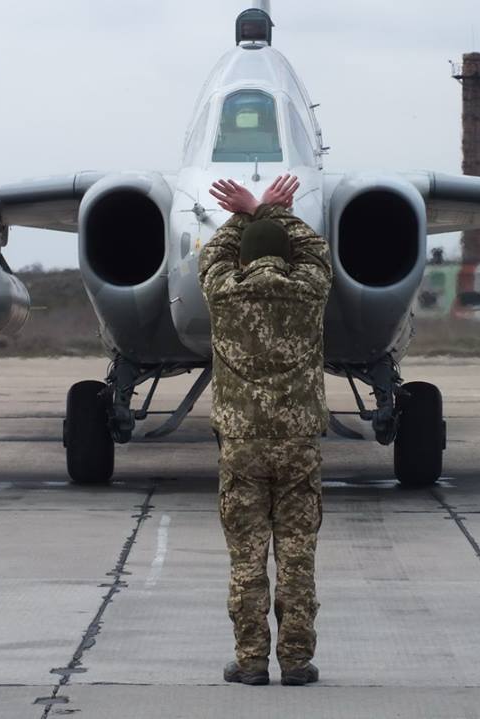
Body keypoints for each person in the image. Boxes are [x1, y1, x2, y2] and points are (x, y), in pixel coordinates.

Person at [199, 174, 333, 687]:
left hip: (242, 446)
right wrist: (274, 210)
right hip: (298, 444)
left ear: (244, 258)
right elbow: (315, 250)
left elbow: (212, 254)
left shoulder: (223, 293)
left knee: (247, 557)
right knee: (298, 554)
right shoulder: (309, 291)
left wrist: (246, 212)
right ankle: (297, 662)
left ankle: (251, 661)